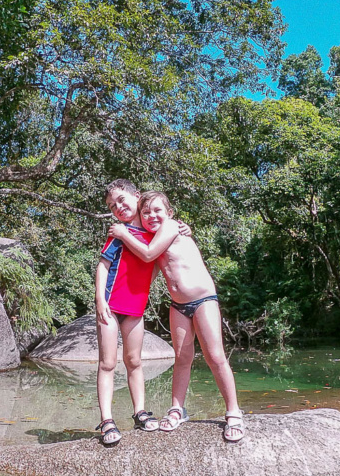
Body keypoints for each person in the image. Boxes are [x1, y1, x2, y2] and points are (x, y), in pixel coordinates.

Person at [108, 191, 244, 442]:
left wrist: (123, 233)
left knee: (215, 357)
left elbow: (148, 254)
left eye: (157, 210)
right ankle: (177, 408)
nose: (151, 216)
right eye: (146, 212)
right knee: (181, 358)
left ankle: (233, 412)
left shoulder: (170, 227)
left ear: (170, 213)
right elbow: (144, 270)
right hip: (179, 306)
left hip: (203, 300)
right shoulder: (150, 238)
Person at [94, 179, 190, 445]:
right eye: (112, 206)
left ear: (137, 196)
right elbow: (103, 266)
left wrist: (185, 227)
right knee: (107, 363)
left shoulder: (155, 232)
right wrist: (100, 300)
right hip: (110, 306)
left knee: (135, 361)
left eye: (122, 200)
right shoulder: (119, 233)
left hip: (135, 308)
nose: (118, 207)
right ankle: (106, 420)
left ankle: (140, 412)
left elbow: (160, 253)